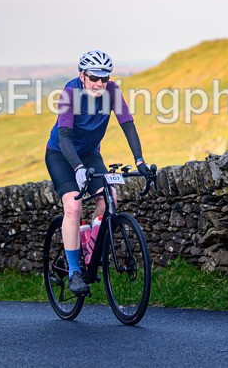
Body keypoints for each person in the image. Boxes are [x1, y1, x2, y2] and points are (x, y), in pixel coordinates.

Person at [45, 49, 153, 296]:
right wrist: (78, 169)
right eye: (94, 78)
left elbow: (127, 125)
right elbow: (64, 136)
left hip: (90, 155)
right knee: (73, 206)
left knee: (109, 198)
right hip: (61, 154)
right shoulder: (70, 93)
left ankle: (90, 248)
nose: (99, 84)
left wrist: (140, 161)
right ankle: (74, 272)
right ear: (82, 76)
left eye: (104, 78)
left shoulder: (112, 92)